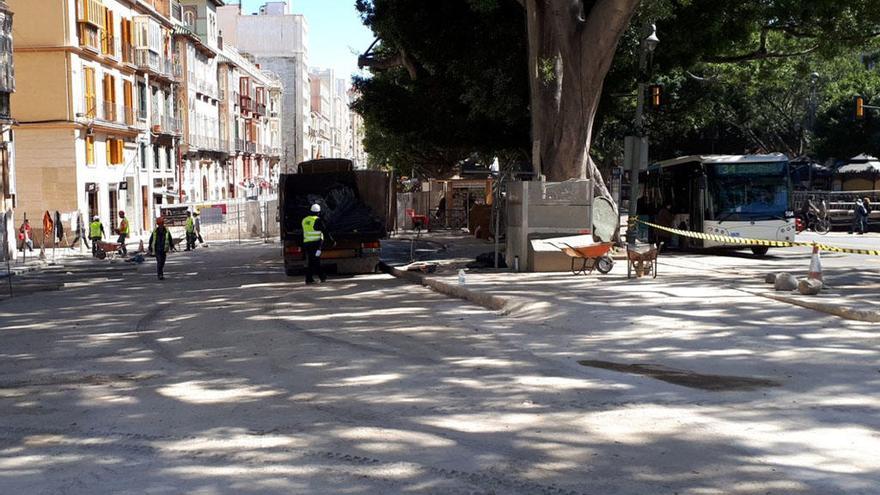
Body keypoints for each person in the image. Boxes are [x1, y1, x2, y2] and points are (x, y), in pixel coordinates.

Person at [302, 203, 327, 284]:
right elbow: (324, 230)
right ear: (318, 212)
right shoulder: (317, 220)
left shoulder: (304, 220)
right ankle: (321, 276)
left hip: (307, 244)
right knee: (315, 261)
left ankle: (310, 278)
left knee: (312, 261)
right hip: (315, 244)